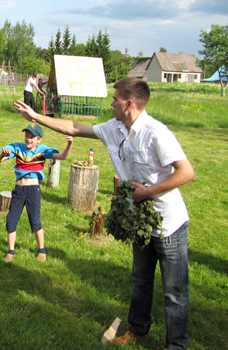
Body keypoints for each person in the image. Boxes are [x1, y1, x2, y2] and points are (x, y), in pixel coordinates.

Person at [14, 78, 194, 350]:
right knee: (141, 280)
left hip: (169, 223)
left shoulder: (157, 132)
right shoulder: (114, 128)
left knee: (175, 292)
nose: (111, 103)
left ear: (129, 103)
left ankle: (177, 345)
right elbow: (74, 126)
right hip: (139, 222)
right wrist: (36, 116)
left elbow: (186, 172)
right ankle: (139, 329)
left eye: (115, 99)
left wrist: (149, 191)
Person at [0, 123, 73, 263]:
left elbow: (63, 156)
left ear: (39, 139)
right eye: (27, 135)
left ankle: (41, 251)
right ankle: (11, 252)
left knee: (35, 221)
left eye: (32, 137)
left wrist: (69, 144)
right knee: (11, 220)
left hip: (33, 190)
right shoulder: (17, 148)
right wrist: (3, 154)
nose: (28, 139)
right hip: (19, 190)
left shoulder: (43, 151)